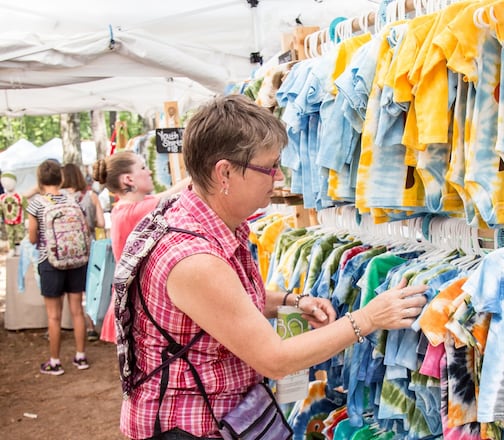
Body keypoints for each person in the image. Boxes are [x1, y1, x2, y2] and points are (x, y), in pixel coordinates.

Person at [120, 95, 428, 439]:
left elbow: (220, 305)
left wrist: (291, 302)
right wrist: (368, 319)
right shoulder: (195, 258)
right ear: (225, 172)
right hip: (193, 427)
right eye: (270, 167)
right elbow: (275, 359)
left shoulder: (196, 218)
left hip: (216, 417)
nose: (279, 177)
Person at [92, 151, 191, 343]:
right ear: (128, 179)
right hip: (137, 304)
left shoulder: (133, 206)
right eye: (143, 168)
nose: (150, 172)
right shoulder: (132, 211)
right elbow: (175, 194)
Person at [26, 159, 90, 375]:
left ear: (39, 179)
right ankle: (81, 357)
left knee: (54, 316)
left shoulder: (36, 203)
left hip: (50, 262)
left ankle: (55, 361)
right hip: (77, 260)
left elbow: (33, 237)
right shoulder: (73, 199)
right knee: (77, 311)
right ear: (61, 178)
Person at [61, 163, 106, 342]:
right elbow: (101, 223)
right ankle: (90, 327)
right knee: (90, 289)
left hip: (65, 251)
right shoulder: (91, 196)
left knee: (73, 293)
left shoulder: (59, 198)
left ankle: (71, 324)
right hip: (89, 249)